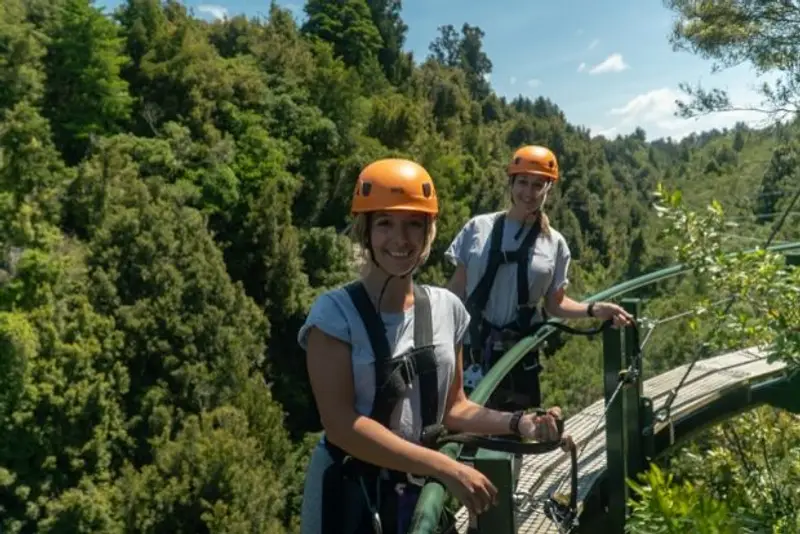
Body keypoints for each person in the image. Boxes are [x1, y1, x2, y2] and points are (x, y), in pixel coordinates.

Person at [297, 158, 570, 534]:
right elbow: (342, 425)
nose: (400, 238)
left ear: (428, 232)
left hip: (416, 490)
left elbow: (454, 407)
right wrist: (444, 466)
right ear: (365, 232)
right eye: (385, 224)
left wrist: (520, 423)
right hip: (349, 496)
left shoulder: (446, 309)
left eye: (414, 224)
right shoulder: (334, 315)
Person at [446, 145, 634, 411]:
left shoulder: (554, 244)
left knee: (515, 435)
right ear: (511, 183)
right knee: (463, 434)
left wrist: (594, 309)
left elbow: (555, 304)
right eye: (522, 182)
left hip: (520, 356)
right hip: (470, 350)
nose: (529, 192)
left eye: (538, 185)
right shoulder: (478, 228)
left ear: (548, 189)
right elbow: (456, 291)